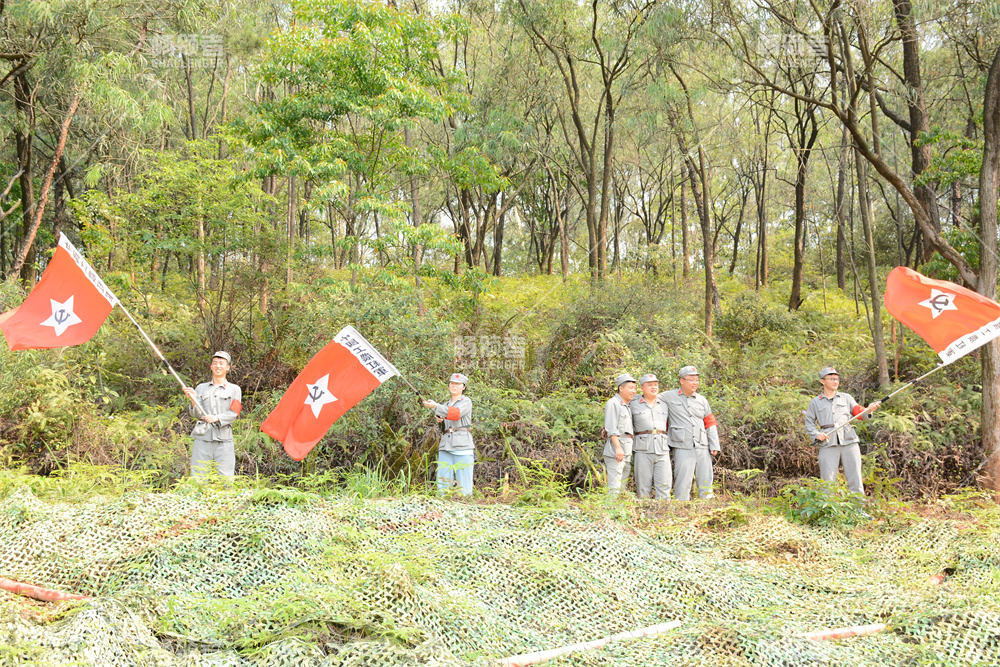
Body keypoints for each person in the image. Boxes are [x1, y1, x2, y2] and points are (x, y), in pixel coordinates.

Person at [803, 367, 880, 495]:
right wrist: (817, 435)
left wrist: (869, 410)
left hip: (849, 441)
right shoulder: (815, 402)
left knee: (855, 478)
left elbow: (859, 413)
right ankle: (829, 512)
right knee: (827, 481)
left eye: (837, 379)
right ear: (823, 381)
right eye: (831, 379)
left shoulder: (846, 398)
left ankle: (859, 511)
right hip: (828, 443)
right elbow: (809, 423)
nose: (835, 381)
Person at [661, 365, 720, 501]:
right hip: (682, 446)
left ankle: (708, 508)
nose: (695, 383)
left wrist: (714, 444)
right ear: (682, 381)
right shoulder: (668, 396)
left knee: (706, 479)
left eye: (697, 380)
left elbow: (710, 423)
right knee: (683, 480)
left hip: (702, 446)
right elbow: (650, 400)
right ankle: (681, 509)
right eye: (691, 380)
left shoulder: (702, 400)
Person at [183, 351, 243, 477]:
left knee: (226, 478)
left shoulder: (235, 389)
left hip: (224, 439)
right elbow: (196, 414)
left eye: (222, 363)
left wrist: (216, 418)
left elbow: (234, 413)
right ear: (211, 366)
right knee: (198, 476)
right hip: (203, 438)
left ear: (228, 367)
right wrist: (193, 399)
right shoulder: (200, 388)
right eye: (215, 363)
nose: (218, 366)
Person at [423, 372, 474, 495]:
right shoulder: (445, 405)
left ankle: (467, 508)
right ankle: (442, 506)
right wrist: (440, 420)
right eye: (452, 383)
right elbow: (444, 427)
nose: (454, 386)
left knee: (465, 487)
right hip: (446, 446)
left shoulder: (466, 401)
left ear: (464, 387)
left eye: (458, 384)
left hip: (463, 446)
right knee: (443, 484)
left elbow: (456, 414)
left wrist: (436, 406)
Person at [629, 373, 672, 499]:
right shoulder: (633, 403)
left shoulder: (664, 404)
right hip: (643, 448)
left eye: (655, 385)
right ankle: (643, 514)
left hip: (662, 448)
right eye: (649, 385)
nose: (653, 387)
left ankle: (665, 513)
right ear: (642, 388)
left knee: (664, 484)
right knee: (643, 486)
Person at [603, 374, 636, 495]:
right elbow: (611, 428)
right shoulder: (613, 403)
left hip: (626, 452)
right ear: (621, 388)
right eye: (630, 388)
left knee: (621, 487)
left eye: (634, 388)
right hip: (616, 452)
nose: (633, 391)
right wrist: (618, 448)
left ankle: (618, 512)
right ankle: (609, 511)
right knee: (614, 487)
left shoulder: (627, 405)